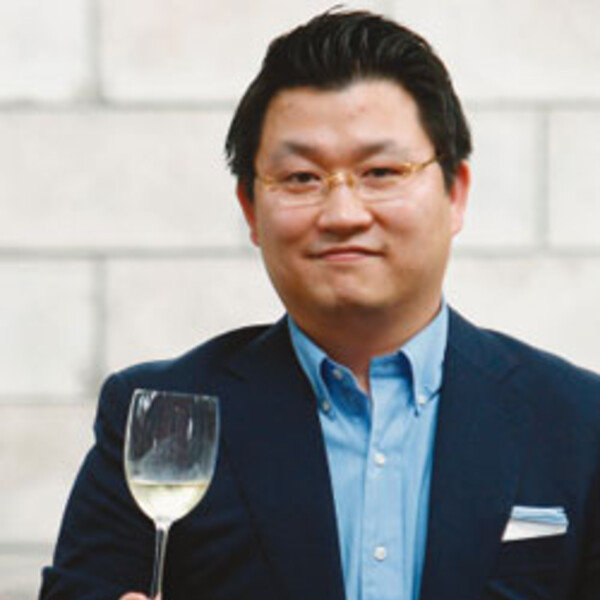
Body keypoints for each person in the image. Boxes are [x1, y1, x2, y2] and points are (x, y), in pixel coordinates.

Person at [40, 9, 600, 600]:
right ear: (251, 209)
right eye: (302, 178)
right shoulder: (161, 417)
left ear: (455, 193)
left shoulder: (579, 422)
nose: (343, 214)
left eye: (381, 171)